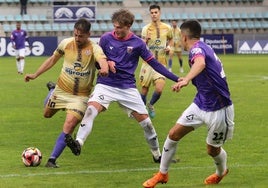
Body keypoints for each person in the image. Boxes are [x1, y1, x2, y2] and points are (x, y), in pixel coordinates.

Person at [64, 9, 180, 164]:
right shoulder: (106, 39)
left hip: (127, 88)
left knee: (147, 124)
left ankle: (157, 155)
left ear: (128, 26)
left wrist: (176, 78)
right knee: (91, 109)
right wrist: (104, 65)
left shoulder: (138, 43)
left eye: (119, 27)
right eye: (114, 26)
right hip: (106, 85)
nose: (116, 30)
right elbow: (96, 60)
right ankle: (78, 142)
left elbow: (155, 64)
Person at [142, 20, 235, 187]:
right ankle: (162, 174)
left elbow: (200, 63)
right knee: (173, 134)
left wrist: (186, 79)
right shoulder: (202, 46)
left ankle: (221, 172)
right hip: (201, 103)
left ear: (184, 37)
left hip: (219, 109)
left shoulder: (197, 49)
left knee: (212, 150)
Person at [24, 18, 109, 168]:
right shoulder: (66, 43)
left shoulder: (95, 48)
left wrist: (104, 68)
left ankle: (52, 159)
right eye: (75, 34)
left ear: (88, 34)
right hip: (61, 90)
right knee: (47, 114)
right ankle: (52, 90)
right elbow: (52, 60)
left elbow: (102, 60)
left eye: (81, 36)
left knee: (69, 124)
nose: (77, 38)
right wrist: (35, 74)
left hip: (80, 97)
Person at [139, 4, 173, 119]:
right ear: (150, 14)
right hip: (147, 63)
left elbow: (171, 39)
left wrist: (169, 47)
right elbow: (141, 46)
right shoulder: (145, 29)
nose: (154, 14)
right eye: (152, 12)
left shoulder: (167, 28)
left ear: (160, 13)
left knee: (159, 88)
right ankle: (142, 111)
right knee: (144, 89)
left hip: (161, 63)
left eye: (156, 12)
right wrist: (145, 40)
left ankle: (151, 104)